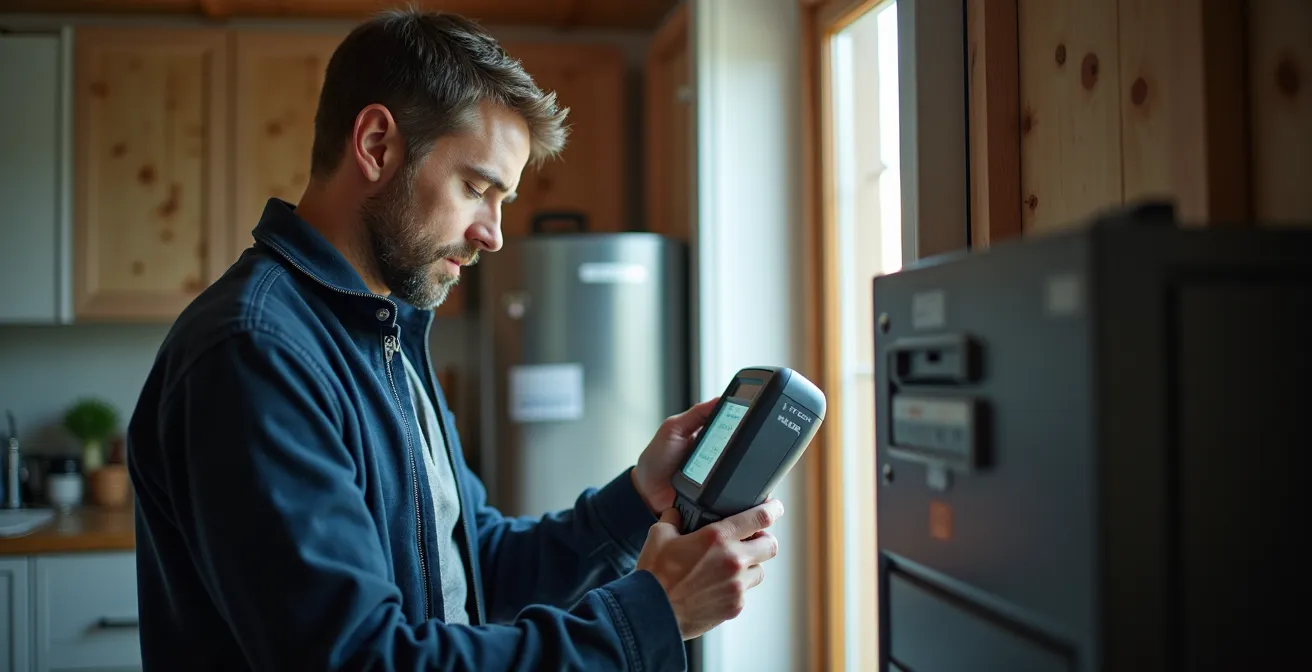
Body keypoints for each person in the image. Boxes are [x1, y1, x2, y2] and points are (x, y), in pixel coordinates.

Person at [125, 7, 785, 672]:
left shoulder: (387, 335)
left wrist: (639, 497)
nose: (493, 233)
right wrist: (653, 617)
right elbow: (358, 660)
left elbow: (475, 565)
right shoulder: (256, 352)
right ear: (377, 145)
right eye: (477, 188)